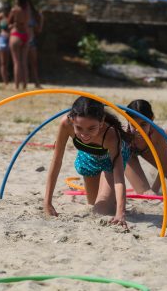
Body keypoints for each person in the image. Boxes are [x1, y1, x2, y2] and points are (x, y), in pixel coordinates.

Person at [44, 97, 131, 228]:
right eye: (79, 128)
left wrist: (120, 212)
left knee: (100, 211)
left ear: (101, 122)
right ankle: (111, 199)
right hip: (89, 155)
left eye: (91, 128)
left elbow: (118, 176)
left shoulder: (110, 135)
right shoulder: (65, 124)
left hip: (110, 159)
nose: (84, 134)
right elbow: (56, 162)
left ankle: (114, 201)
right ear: (72, 120)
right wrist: (47, 202)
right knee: (92, 204)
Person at [125, 99, 167, 194]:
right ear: (127, 120)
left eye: (143, 124)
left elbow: (164, 163)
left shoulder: (157, 134)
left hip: (147, 151)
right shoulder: (123, 133)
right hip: (129, 155)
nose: (138, 129)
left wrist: (155, 189)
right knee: (144, 192)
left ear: (151, 119)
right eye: (134, 125)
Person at [8, 0, 30, 90]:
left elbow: (8, 23)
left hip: (16, 34)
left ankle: (16, 86)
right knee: (24, 62)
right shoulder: (27, 10)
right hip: (25, 35)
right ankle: (25, 85)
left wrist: (12, 24)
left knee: (16, 62)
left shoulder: (15, 9)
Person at [0, 1, 11, 86]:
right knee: (2, 62)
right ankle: (5, 82)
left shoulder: (12, 16)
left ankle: (4, 79)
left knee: (6, 62)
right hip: (2, 39)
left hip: (9, 40)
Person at [27, 0, 43, 88]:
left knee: (33, 63)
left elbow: (38, 30)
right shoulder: (19, 12)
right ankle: (23, 83)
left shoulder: (33, 16)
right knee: (22, 63)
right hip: (25, 40)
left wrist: (41, 20)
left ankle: (36, 82)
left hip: (30, 41)